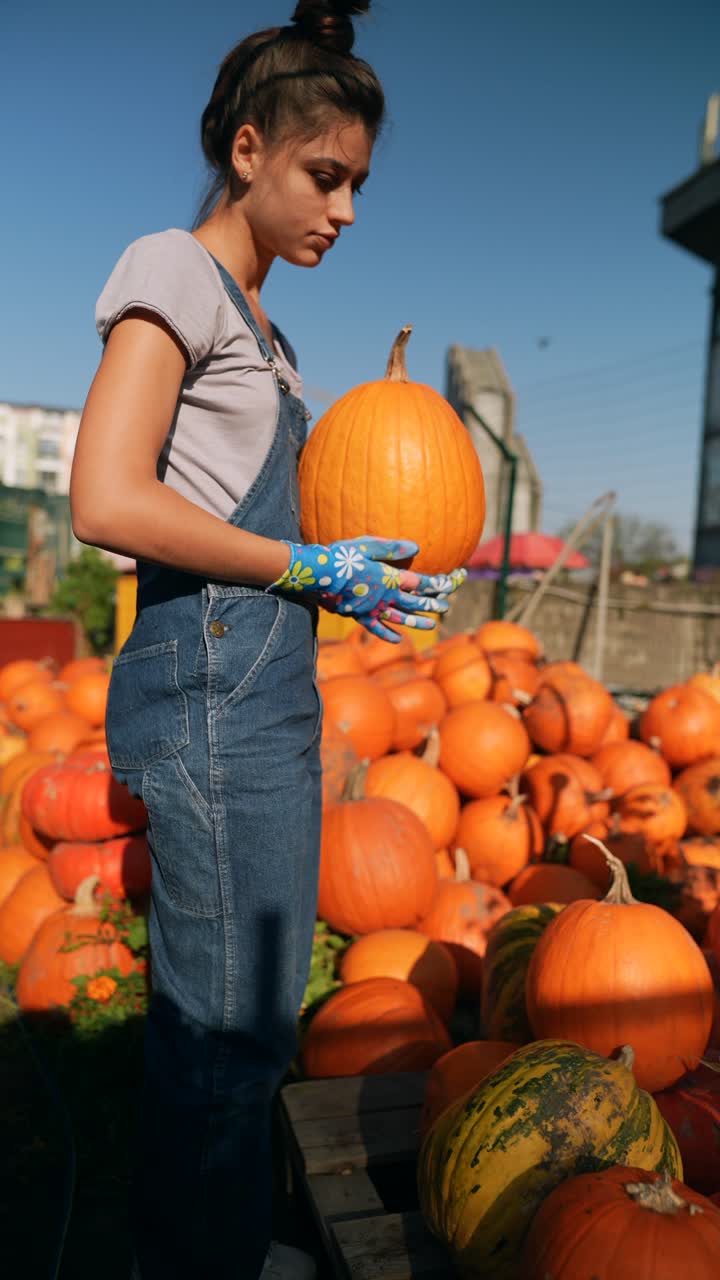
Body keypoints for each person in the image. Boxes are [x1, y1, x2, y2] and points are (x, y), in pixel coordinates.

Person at [70, 3, 467, 1277]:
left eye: (357, 182)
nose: (346, 209)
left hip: (266, 707)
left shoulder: (271, 337)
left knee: (252, 1024)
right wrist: (305, 563)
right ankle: (189, 1259)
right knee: (219, 1035)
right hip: (206, 701)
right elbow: (108, 500)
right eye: (324, 175)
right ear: (248, 150)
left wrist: (347, 578)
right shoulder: (172, 275)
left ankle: (219, 1245)